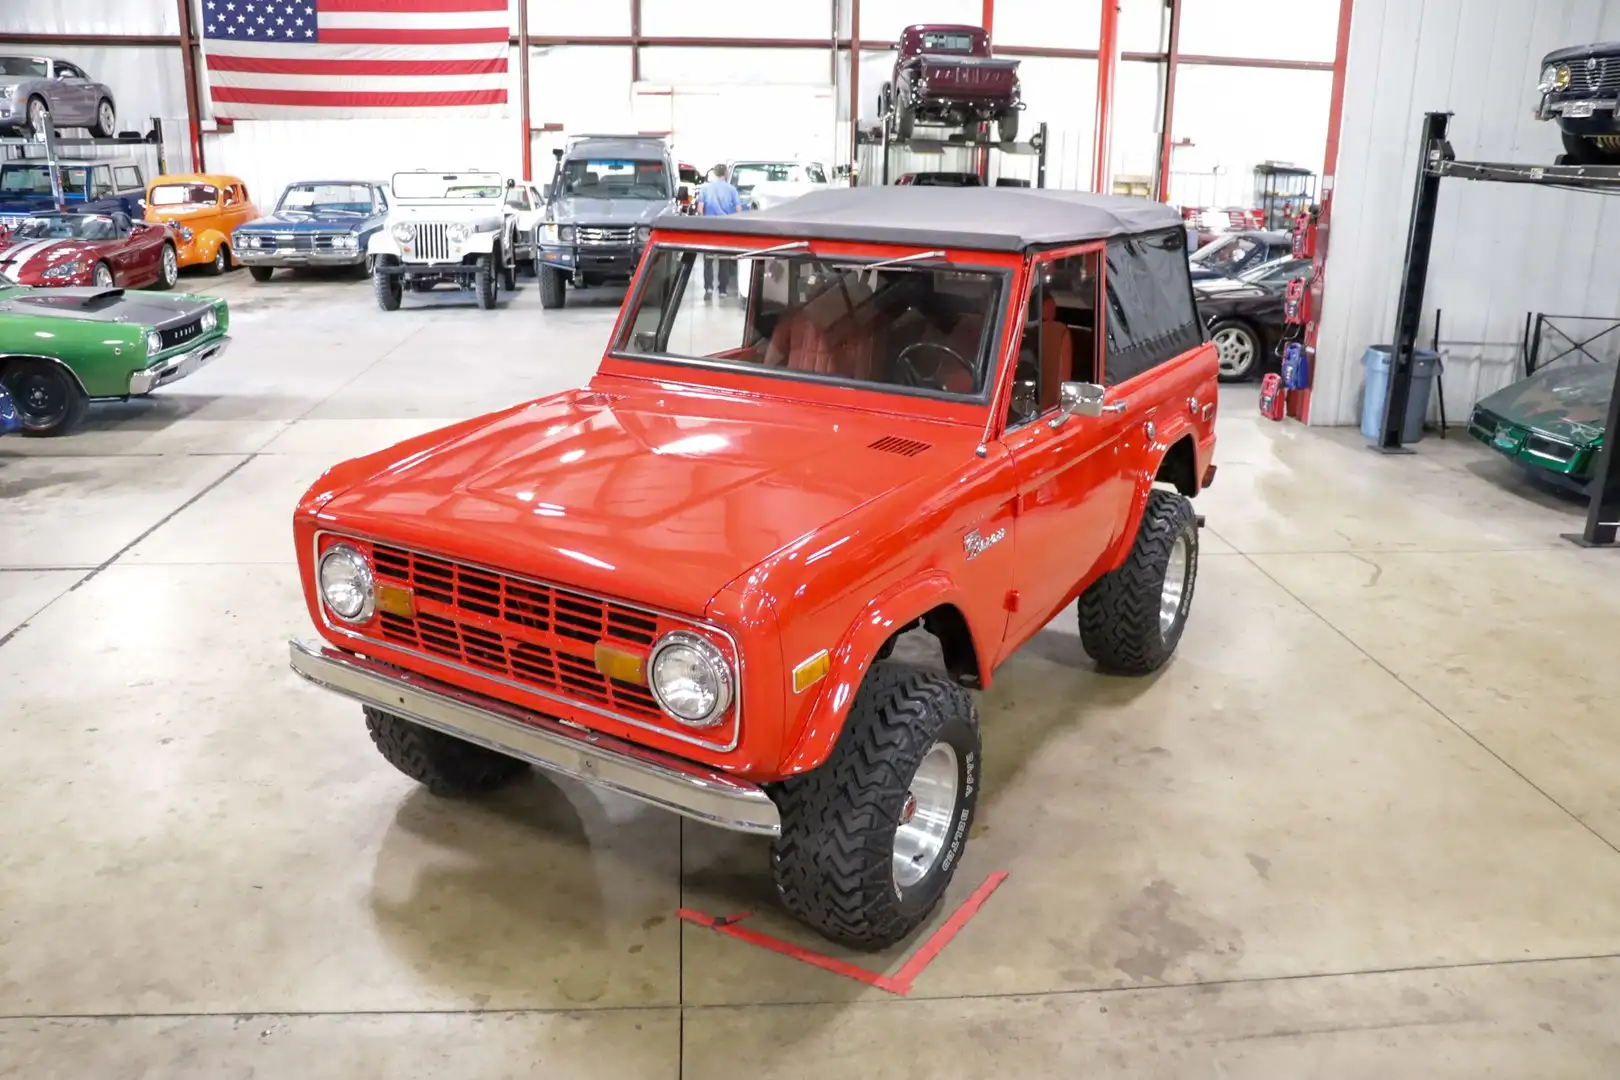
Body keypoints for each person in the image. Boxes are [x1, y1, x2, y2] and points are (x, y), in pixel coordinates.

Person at [698, 164, 746, 300]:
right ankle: (723, 290)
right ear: (725, 173)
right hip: (725, 228)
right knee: (724, 259)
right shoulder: (731, 189)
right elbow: (738, 210)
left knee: (708, 259)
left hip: (709, 227)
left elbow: (700, 209)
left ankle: (708, 288)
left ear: (714, 173)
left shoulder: (705, 188)